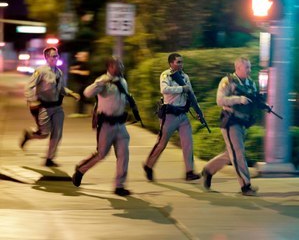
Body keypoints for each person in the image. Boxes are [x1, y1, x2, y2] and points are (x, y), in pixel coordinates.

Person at [72, 56, 131, 197]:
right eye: (118, 64)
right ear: (110, 66)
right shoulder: (103, 80)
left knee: (124, 154)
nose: (121, 66)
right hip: (106, 125)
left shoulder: (122, 81)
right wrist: (100, 84)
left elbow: (123, 99)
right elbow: (87, 93)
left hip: (120, 125)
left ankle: (119, 185)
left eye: (121, 64)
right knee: (102, 154)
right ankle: (81, 170)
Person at [201, 57, 259, 196]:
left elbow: (255, 101)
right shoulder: (228, 81)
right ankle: (245, 185)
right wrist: (239, 99)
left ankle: (208, 170)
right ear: (238, 68)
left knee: (230, 154)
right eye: (247, 67)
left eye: (250, 67)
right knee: (238, 153)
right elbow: (220, 100)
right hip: (230, 121)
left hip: (243, 122)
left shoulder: (251, 83)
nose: (249, 70)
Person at [143, 53, 201, 182]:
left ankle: (189, 171)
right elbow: (164, 89)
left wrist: (197, 110)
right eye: (178, 62)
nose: (181, 64)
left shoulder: (185, 77)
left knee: (188, 143)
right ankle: (148, 165)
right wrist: (181, 89)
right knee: (161, 144)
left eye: (181, 62)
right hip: (169, 115)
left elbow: (191, 94)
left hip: (182, 115)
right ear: (171, 63)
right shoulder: (166, 75)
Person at [20, 47, 80, 167]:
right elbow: (28, 86)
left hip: (57, 107)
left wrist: (71, 93)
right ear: (46, 57)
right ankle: (29, 135)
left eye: (56, 55)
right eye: (53, 56)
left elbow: (61, 88)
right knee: (44, 133)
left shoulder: (59, 72)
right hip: (44, 107)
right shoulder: (40, 71)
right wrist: (32, 100)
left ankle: (49, 159)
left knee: (57, 133)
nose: (55, 58)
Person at [68, 51, 91, 117]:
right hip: (79, 83)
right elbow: (71, 69)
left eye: (80, 55)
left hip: (84, 83)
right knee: (79, 97)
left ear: (84, 57)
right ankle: (79, 112)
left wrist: (76, 71)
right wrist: (73, 69)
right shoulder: (77, 63)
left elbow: (86, 73)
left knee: (81, 98)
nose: (77, 56)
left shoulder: (86, 64)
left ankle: (81, 112)